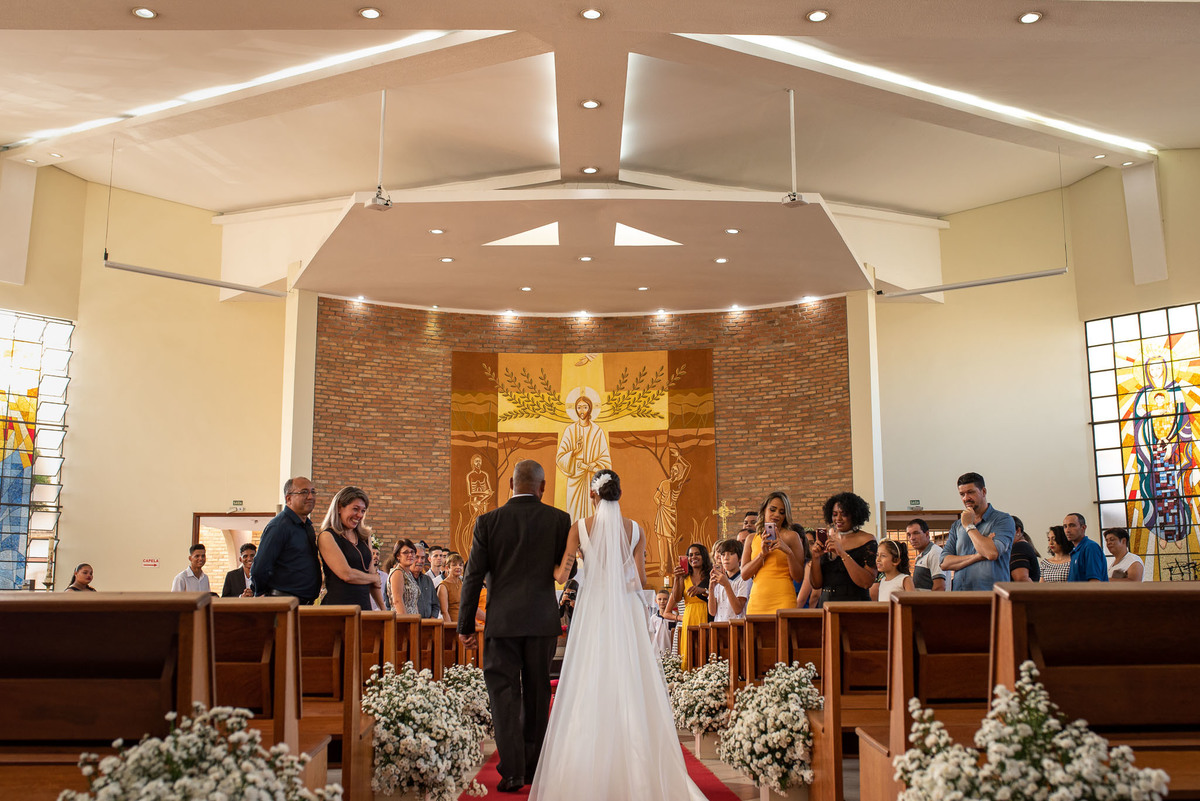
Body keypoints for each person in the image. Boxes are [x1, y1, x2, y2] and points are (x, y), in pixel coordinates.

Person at [531, 468, 705, 801]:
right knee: (628, 679)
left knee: (589, 679)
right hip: (622, 612)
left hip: (592, 612)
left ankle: (586, 767)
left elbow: (562, 573)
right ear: (619, 495)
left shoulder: (580, 527)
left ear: (593, 495)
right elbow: (638, 580)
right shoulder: (636, 529)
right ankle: (637, 767)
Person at [458, 460, 572, 793]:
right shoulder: (558, 519)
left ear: (510, 483)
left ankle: (511, 771)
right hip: (541, 620)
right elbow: (570, 569)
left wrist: (465, 624)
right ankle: (535, 768)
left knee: (504, 695)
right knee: (537, 692)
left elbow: (472, 576)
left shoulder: (488, 521)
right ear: (543, 487)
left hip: (503, 622)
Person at [252, 477, 322, 603]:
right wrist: (261, 594)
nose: (311, 497)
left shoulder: (307, 526)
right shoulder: (279, 526)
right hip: (283, 603)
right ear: (288, 498)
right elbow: (260, 567)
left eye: (313, 492)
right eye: (304, 492)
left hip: (304, 603)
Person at [940, 472, 1015, 591]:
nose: (966, 498)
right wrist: (979, 556)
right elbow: (944, 563)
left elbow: (991, 553)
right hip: (961, 596)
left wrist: (969, 526)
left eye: (971, 492)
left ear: (983, 492)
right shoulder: (957, 526)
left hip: (991, 597)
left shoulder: (1003, 520)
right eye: (962, 494)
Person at [316, 487, 384, 609]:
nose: (359, 515)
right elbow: (346, 574)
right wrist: (373, 578)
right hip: (339, 608)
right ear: (339, 508)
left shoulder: (364, 536)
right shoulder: (327, 536)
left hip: (364, 607)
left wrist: (384, 610)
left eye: (363, 511)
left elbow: (373, 578)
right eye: (355, 509)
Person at [742, 491, 807, 613]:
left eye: (782, 512)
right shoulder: (751, 539)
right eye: (772, 510)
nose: (776, 515)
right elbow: (745, 575)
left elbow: (798, 577)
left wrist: (788, 552)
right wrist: (762, 555)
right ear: (764, 510)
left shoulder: (792, 537)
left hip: (784, 599)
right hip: (757, 601)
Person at [810, 491, 878, 603]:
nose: (838, 519)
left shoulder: (867, 540)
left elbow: (867, 582)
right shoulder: (828, 538)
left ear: (854, 515)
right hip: (827, 603)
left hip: (854, 604)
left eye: (844, 514)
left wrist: (842, 553)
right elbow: (816, 585)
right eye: (835, 514)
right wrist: (815, 558)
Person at [555, 392, 612, 523]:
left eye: (585, 407)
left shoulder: (597, 431)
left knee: (593, 514)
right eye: (579, 407)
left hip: (593, 481)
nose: (581, 410)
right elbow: (560, 458)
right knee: (574, 514)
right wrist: (574, 452)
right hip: (575, 480)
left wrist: (594, 465)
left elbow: (606, 459)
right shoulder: (570, 431)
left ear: (590, 408)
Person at [667, 541, 713, 669]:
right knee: (689, 650)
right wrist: (677, 578)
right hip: (689, 615)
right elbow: (676, 598)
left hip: (707, 613)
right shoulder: (684, 577)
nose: (693, 557)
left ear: (703, 556)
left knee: (706, 649)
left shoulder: (711, 575)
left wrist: (704, 591)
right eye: (690, 555)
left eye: (697, 554)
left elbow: (719, 596)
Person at [708, 539, 750, 622]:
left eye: (731, 554)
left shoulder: (744, 578)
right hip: (720, 626)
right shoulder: (719, 578)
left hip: (737, 627)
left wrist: (726, 585)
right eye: (723, 555)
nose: (726, 558)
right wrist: (711, 589)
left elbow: (738, 610)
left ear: (740, 558)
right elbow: (712, 612)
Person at [1064, 512, 1108, 583]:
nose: (1067, 530)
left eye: (1072, 525)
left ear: (1083, 527)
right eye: (1065, 526)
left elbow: (1095, 581)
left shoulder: (1090, 547)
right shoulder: (1075, 551)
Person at [906, 518, 945, 591]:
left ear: (927, 534)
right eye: (909, 535)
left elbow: (939, 587)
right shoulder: (922, 555)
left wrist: (927, 602)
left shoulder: (935, 553)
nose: (912, 538)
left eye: (916, 533)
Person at [385, 538, 420, 614]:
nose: (410, 555)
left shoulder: (409, 573)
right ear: (398, 556)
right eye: (405, 552)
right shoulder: (398, 573)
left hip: (413, 619)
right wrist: (405, 620)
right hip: (402, 619)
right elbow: (397, 601)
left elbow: (413, 603)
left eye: (412, 552)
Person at [649, 588, 680, 660]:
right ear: (656, 601)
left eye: (665, 599)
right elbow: (651, 635)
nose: (662, 601)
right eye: (659, 599)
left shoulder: (675, 616)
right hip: (657, 650)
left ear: (669, 600)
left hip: (671, 648)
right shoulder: (653, 618)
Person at [1008, 517, 1041, 582]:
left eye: (1006, 531)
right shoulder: (1023, 546)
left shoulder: (1019, 547)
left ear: (1017, 531)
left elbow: (1021, 579)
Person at [411, 544, 437, 617]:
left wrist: (433, 620)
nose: (420, 561)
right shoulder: (403, 579)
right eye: (417, 557)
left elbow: (436, 604)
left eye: (422, 558)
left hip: (428, 625)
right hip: (409, 623)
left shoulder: (427, 580)